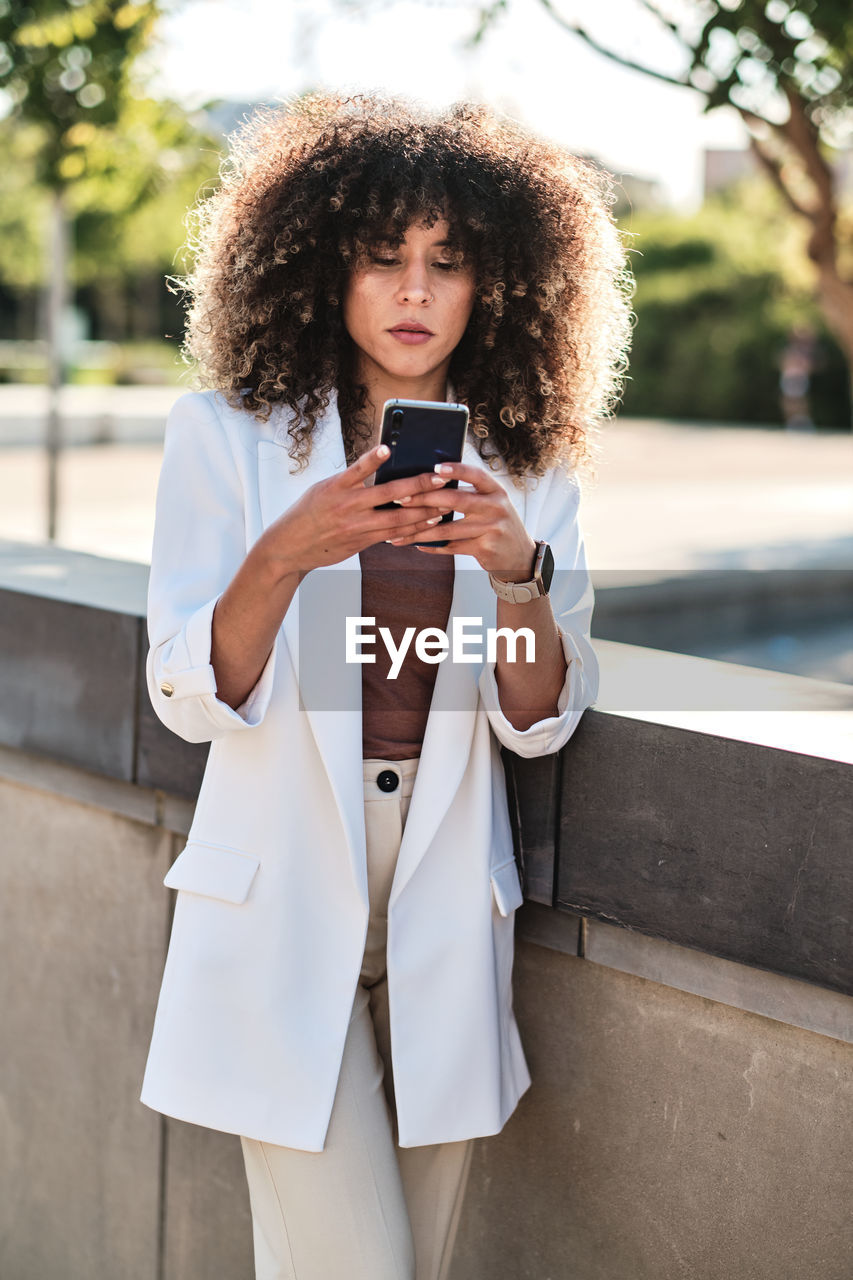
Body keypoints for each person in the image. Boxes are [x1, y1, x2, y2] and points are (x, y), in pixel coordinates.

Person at [140, 93, 631, 1280]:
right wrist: (288, 549)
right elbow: (185, 692)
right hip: (276, 908)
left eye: (448, 264)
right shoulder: (224, 436)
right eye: (382, 258)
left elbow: (533, 721)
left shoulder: (529, 469)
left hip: (446, 914)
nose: (414, 292)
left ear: (500, 286)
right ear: (319, 269)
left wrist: (523, 576)